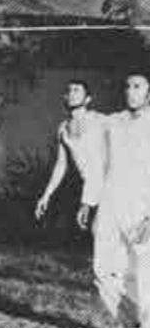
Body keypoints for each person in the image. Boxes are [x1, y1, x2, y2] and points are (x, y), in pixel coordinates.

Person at [81, 73, 150, 328]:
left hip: (142, 206)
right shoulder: (113, 123)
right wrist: (89, 202)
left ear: (148, 93)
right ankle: (134, 320)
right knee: (102, 272)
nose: (131, 91)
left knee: (144, 270)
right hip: (110, 203)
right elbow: (99, 164)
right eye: (128, 86)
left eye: (138, 86)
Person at [34, 80, 108, 229]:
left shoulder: (98, 121)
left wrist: (86, 203)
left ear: (88, 99)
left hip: (109, 186)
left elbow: (97, 166)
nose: (72, 94)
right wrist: (46, 195)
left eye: (77, 90)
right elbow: (61, 165)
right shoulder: (63, 129)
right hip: (90, 189)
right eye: (69, 90)